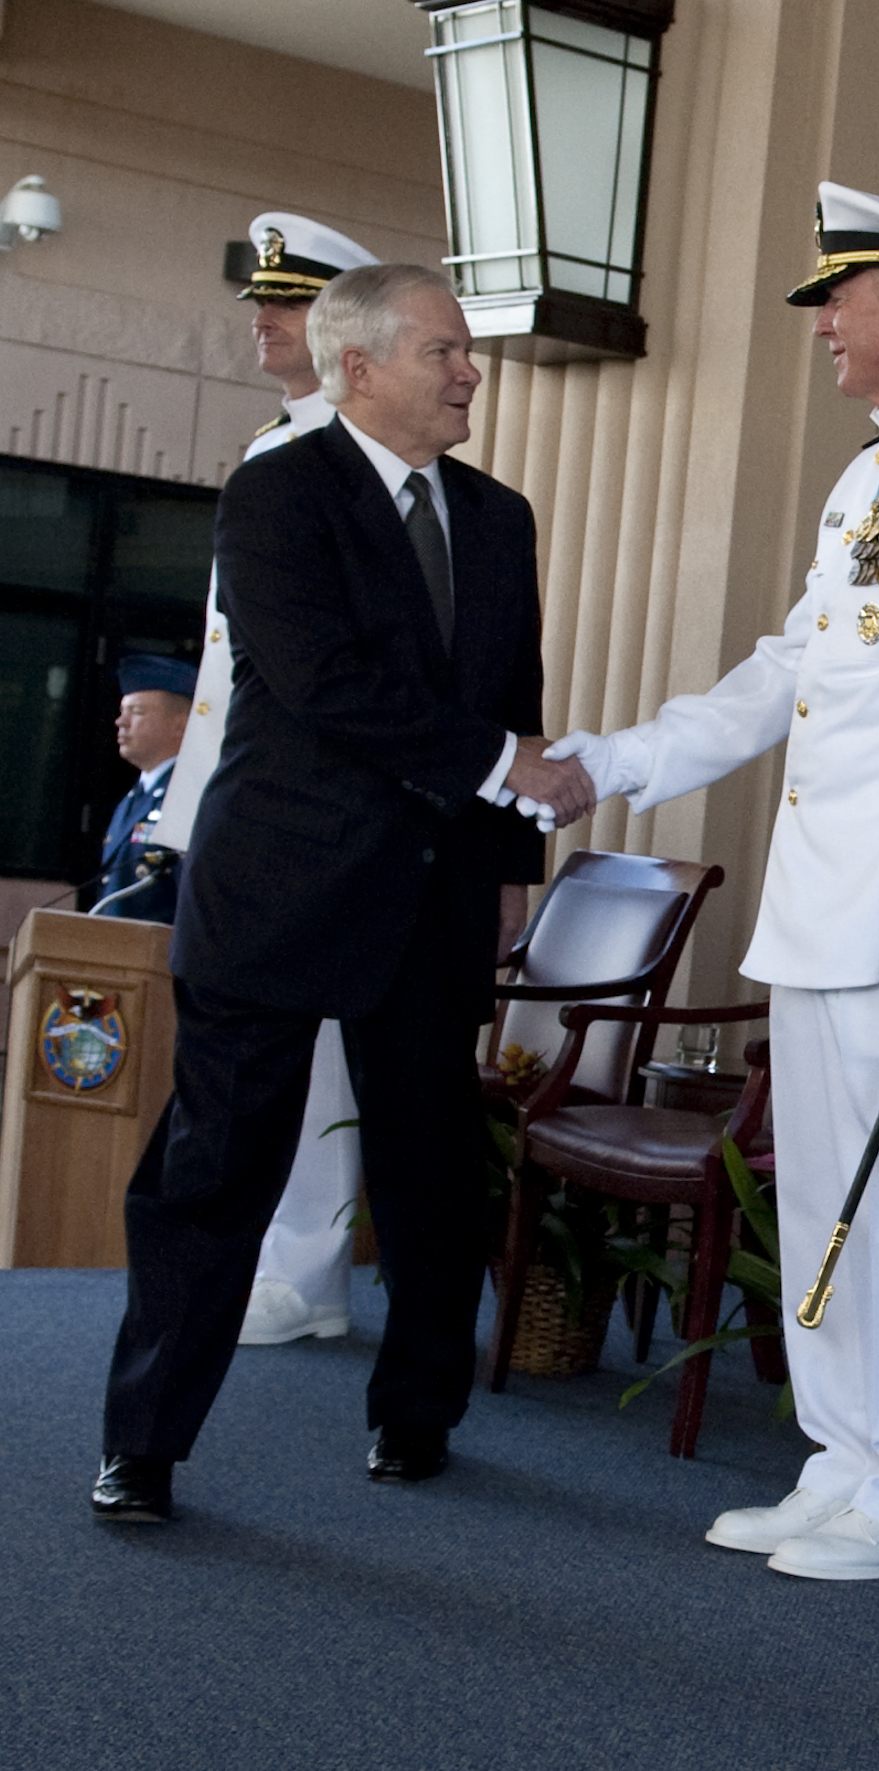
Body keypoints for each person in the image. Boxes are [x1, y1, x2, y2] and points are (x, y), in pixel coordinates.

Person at [546, 184, 879, 1583]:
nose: (827, 323)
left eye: (842, 295)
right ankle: (845, 1456)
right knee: (828, 1195)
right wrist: (618, 755)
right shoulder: (875, 473)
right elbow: (792, 669)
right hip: (829, 908)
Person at [91, 263, 593, 1523]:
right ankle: (143, 1445)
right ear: (356, 366)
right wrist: (503, 766)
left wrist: (508, 874)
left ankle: (417, 1414)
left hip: (434, 900)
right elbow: (328, 685)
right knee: (214, 1173)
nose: (470, 370)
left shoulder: (497, 517)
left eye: (468, 352)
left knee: (431, 1172)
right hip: (276, 892)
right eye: (445, 351)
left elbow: (506, 695)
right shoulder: (276, 493)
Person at [164, 211, 382, 1347]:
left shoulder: (351, 466)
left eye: (288, 303)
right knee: (250, 1055)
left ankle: (308, 1269)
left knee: (318, 1055)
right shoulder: (273, 446)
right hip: (246, 808)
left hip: (321, 822)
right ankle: (279, 1259)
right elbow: (224, 667)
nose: (263, 318)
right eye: (263, 299)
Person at [92, 655, 195, 922]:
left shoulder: (189, 797)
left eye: (136, 712)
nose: (121, 722)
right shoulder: (134, 799)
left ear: (181, 725)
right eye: (122, 710)